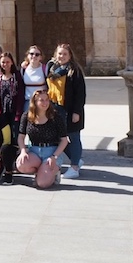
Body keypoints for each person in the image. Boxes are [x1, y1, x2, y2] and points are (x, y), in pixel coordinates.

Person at [46, 43, 87, 179]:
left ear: (70, 56)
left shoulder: (74, 71)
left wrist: (77, 112)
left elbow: (80, 94)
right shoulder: (53, 69)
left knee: (73, 137)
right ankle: (76, 159)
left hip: (69, 110)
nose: (62, 56)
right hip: (55, 109)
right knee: (59, 138)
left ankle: (74, 167)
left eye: (64, 54)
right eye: (60, 54)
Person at [16, 90, 70, 188]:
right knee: (21, 164)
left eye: (47, 100)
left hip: (52, 151)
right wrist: (23, 151)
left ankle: (53, 173)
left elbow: (64, 140)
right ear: (35, 102)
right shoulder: (27, 116)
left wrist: (54, 157)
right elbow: (21, 136)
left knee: (42, 184)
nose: (45, 103)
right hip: (34, 150)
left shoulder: (55, 116)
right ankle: (41, 171)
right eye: (42, 100)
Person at [0, 51, 25, 126]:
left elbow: (20, 95)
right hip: (3, 110)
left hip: (14, 110)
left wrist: (18, 113)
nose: (5, 64)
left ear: (12, 62)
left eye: (7, 62)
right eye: (3, 62)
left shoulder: (17, 76)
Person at [21, 45, 47, 112]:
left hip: (42, 101)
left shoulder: (45, 69)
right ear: (28, 55)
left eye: (37, 54)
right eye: (31, 54)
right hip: (28, 101)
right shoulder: (24, 69)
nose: (34, 56)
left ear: (40, 57)